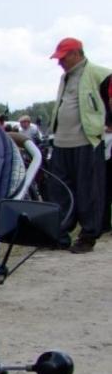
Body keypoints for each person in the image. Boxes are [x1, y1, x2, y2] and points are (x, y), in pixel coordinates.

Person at [46, 37, 112, 253]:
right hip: (62, 142)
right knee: (60, 191)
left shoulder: (99, 73)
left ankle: (88, 236)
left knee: (88, 190)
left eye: (63, 58)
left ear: (76, 53)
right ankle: (61, 234)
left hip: (87, 141)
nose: (59, 62)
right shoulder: (65, 77)